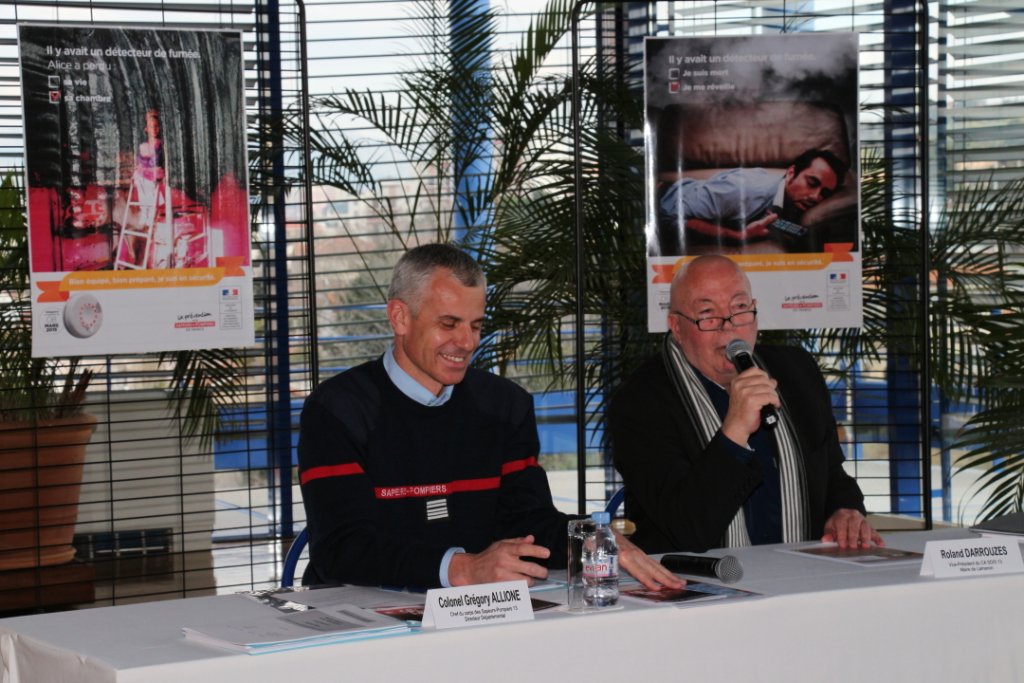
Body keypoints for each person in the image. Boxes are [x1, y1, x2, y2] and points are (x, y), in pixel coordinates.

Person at [298, 243, 683, 591]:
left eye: (476, 325)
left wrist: (591, 538)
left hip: (479, 613)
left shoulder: (505, 405)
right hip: (359, 616)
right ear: (399, 317)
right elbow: (341, 548)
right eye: (448, 324)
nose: (466, 342)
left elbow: (528, 520)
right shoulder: (337, 409)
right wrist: (461, 569)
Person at [609, 254, 881, 553]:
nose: (729, 329)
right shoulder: (639, 401)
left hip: (803, 575)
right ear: (676, 326)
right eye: (708, 315)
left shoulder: (796, 373)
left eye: (740, 309)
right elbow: (688, 528)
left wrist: (844, 510)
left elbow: (831, 473)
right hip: (699, 586)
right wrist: (735, 432)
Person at [658, 148, 847, 248]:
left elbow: (781, 223)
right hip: (663, 199)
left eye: (824, 193)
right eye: (812, 183)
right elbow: (669, 214)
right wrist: (737, 236)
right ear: (791, 173)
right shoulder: (743, 192)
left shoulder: (785, 197)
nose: (816, 197)